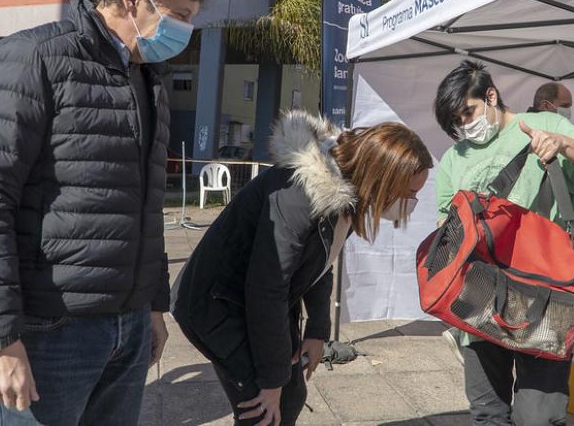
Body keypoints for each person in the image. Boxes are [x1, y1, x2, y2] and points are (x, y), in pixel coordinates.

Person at [0, 0, 208, 426]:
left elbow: (145, 207)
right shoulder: (32, 59)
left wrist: (152, 304)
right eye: (180, 16)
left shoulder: (146, 82)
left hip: (127, 330)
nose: (186, 31)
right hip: (50, 331)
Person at [171, 110, 433, 426]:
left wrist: (317, 330)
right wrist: (270, 380)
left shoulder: (346, 192)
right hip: (216, 304)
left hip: (257, 300)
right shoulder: (300, 193)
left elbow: (321, 264)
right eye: (408, 194)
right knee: (264, 411)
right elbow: (266, 290)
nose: (411, 203)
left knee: (291, 396)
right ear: (381, 178)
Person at [434, 60, 574, 426]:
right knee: (488, 415)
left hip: (546, 298)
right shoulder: (453, 160)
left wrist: (563, 144)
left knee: (540, 418)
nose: (465, 125)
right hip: (480, 299)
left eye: (468, 112)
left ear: (491, 96)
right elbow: (446, 229)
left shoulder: (546, 124)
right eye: (456, 121)